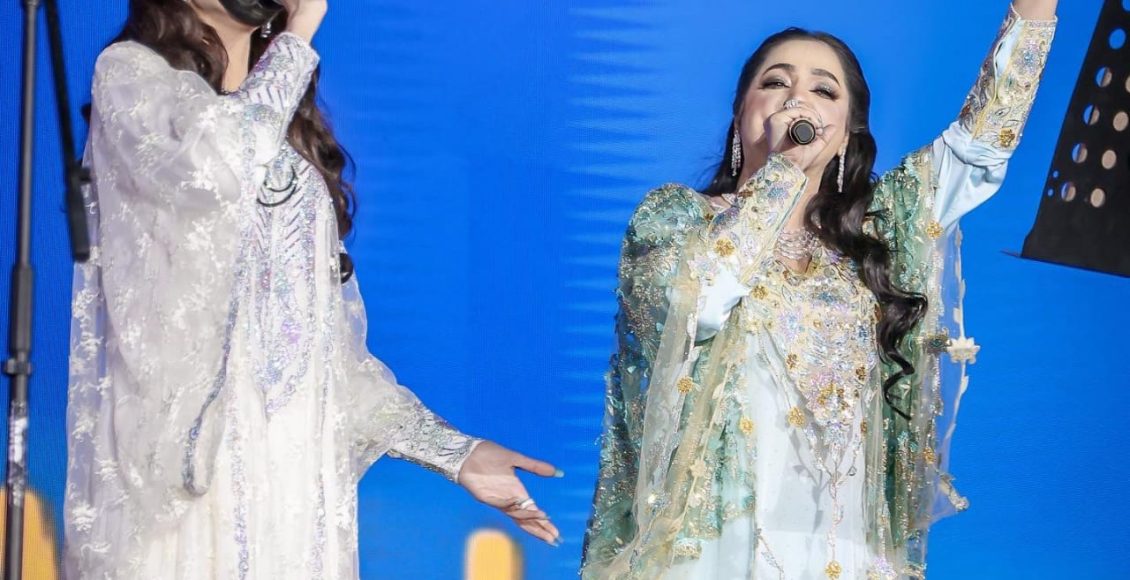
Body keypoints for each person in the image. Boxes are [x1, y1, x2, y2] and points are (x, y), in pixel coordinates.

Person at [65, 1, 559, 577]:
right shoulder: (132, 76)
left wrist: (457, 454)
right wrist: (297, 39)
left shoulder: (286, 137)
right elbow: (216, 165)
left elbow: (327, 358)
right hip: (193, 478)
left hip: (294, 479)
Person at [581, 1, 1057, 578]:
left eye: (824, 91)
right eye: (775, 83)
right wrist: (783, 170)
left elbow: (982, 142)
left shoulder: (881, 235)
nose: (796, 101)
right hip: (711, 547)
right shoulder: (675, 220)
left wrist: (1036, 10)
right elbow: (698, 304)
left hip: (841, 548)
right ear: (740, 113)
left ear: (848, 132)